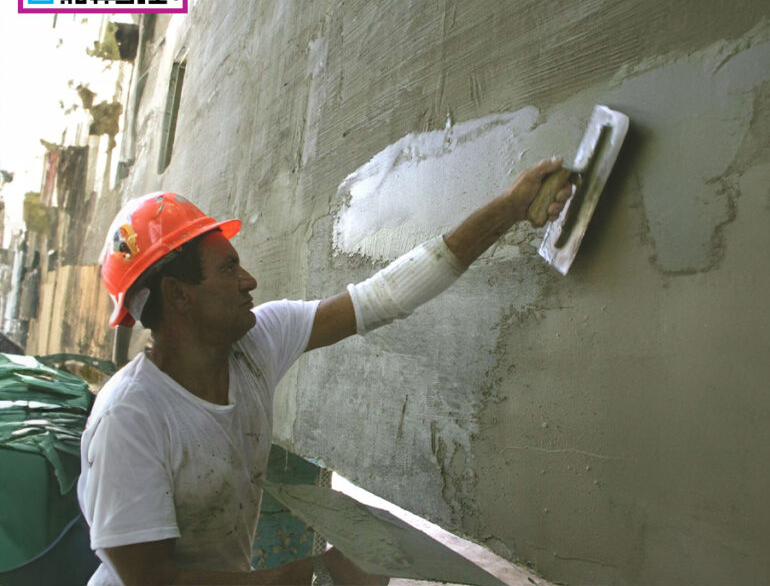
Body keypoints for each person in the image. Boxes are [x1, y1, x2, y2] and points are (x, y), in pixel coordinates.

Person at [78, 158, 573, 586]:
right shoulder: (129, 419)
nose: (249, 281)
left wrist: (509, 208)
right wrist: (317, 577)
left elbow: (384, 297)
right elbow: (154, 582)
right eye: (229, 270)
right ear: (177, 295)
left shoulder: (256, 343)